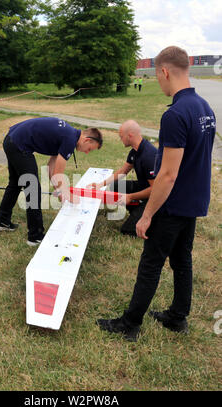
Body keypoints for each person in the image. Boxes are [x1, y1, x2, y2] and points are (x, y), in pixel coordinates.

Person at [97, 46, 216, 342]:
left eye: (157, 76)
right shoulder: (206, 109)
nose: (159, 82)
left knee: (151, 262)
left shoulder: (175, 114)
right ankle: (177, 317)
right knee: (182, 260)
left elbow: (168, 173)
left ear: (164, 72)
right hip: (193, 202)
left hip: (172, 205)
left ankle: (130, 323)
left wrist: (147, 214)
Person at [0, 117, 103, 246]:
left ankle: (3, 221)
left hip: (11, 140)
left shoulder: (68, 135)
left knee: (15, 183)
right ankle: (35, 236)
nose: (86, 152)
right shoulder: (69, 139)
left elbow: (52, 168)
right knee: (33, 189)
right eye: (89, 149)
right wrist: (67, 194)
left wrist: (60, 190)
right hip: (19, 145)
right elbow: (58, 174)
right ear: (87, 140)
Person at [87, 120, 157, 237]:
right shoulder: (135, 151)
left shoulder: (148, 155)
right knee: (115, 186)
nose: (120, 140)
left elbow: (155, 190)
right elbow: (122, 172)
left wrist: (130, 197)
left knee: (128, 230)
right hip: (144, 188)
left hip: (156, 198)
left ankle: (153, 219)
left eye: (121, 137)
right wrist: (100, 185)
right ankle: (137, 210)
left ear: (130, 135)